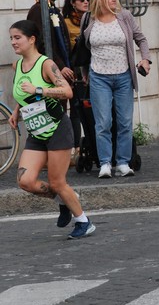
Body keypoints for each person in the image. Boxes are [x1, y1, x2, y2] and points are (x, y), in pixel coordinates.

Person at [8, 20, 95, 239]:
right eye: (11, 38)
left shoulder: (45, 64)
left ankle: (84, 221)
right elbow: (23, 93)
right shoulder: (17, 66)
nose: (13, 42)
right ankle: (62, 200)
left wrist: (39, 89)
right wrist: (17, 111)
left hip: (57, 128)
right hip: (36, 130)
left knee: (57, 181)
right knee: (25, 181)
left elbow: (67, 92)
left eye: (17, 37)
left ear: (32, 39)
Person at [83, 0, 151, 179]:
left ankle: (122, 162)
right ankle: (105, 163)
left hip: (123, 76)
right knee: (103, 122)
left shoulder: (124, 16)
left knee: (124, 121)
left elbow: (141, 39)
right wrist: (84, 72)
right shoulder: (89, 19)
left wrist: (145, 59)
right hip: (99, 77)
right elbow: (84, 47)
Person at [27, 0, 74, 85]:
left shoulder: (53, 10)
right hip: (50, 71)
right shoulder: (38, 10)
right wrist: (59, 66)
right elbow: (40, 42)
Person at [62, 0, 91, 164]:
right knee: (75, 110)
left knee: (89, 110)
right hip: (74, 70)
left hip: (92, 69)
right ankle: (74, 149)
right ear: (72, 3)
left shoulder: (91, 19)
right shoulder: (66, 22)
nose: (85, 1)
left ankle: (88, 146)